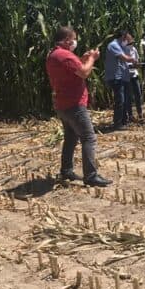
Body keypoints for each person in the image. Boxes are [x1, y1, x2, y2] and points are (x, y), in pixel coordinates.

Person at [45, 26, 111, 187]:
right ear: (67, 40)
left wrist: (82, 58)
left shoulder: (53, 55)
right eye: (74, 39)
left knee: (71, 137)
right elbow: (83, 72)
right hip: (74, 104)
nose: (75, 42)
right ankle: (91, 175)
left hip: (62, 104)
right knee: (88, 137)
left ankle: (66, 170)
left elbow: (73, 69)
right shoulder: (65, 55)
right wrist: (92, 59)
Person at [105, 29, 136, 130]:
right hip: (115, 77)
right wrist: (133, 60)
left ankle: (123, 121)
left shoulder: (121, 46)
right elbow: (124, 58)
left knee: (125, 100)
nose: (128, 40)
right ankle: (117, 123)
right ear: (123, 37)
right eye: (127, 38)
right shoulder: (113, 45)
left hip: (122, 77)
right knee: (120, 101)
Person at [125, 38, 144, 123]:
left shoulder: (134, 49)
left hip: (134, 74)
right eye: (129, 44)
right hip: (126, 76)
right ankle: (130, 115)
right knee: (128, 96)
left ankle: (140, 113)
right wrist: (129, 66)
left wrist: (137, 65)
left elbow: (136, 60)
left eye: (132, 43)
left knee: (138, 94)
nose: (131, 45)